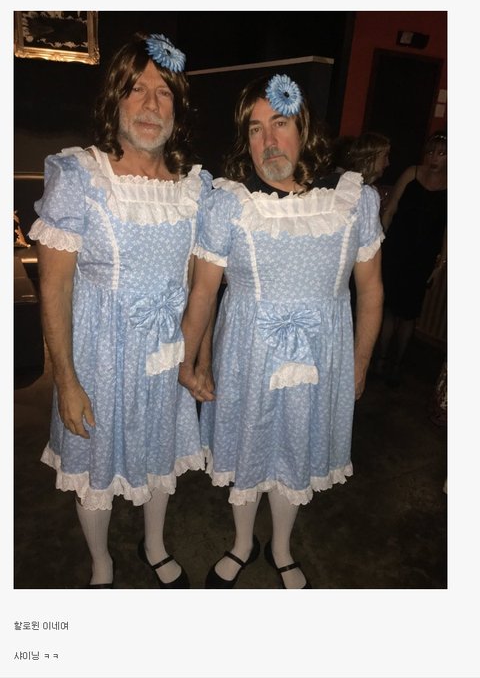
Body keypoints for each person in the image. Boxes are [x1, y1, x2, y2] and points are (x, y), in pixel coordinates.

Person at [179, 73, 384, 589]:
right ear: (245, 140)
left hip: (320, 360)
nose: (268, 140)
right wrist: (190, 361)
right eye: (255, 129)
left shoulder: (351, 199)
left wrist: (359, 364)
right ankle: (242, 543)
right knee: (247, 451)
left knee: (296, 452)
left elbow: (372, 289)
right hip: (246, 356)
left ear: (304, 127)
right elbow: (203, 291)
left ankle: (282, 547)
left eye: (280, 123)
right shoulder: (228, 202)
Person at [29, 33, 212, 588]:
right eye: (137, 90)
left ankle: (154, 544)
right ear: (115, 99)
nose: (151, 105)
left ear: (178, 109)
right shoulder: (80, 176)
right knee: (94, 470)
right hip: (100, 360)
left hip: (164, 357)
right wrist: (66, 380)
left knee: (160, 456)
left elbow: (199, 286)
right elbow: (55, 287)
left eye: (164, 93)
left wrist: (195, 359)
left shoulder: (194, 187)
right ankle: (101, 563)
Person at [375, 131, 447, 385]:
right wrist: (381, 242)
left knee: (408, 314)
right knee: (389, 308)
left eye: (442, 153)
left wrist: (441, 263)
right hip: (397, 250)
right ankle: (380, 360)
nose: (434, 158)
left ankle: (397, 364)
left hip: (422, 258)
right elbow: (391, 208)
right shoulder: (411, 173)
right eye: (431, 152)